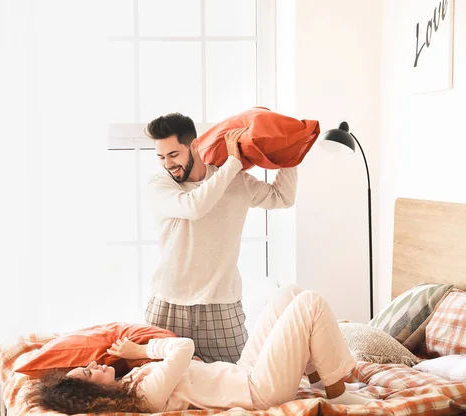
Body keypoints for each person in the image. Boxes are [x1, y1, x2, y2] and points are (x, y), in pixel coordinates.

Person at [25, 285, 376, 414]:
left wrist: (137, 355)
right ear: (92, 394)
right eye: (88, 372)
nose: (93, 364)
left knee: (290, 294)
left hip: (243, 372)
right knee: (311, 304)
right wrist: (141, 351)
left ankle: (318, 379)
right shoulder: (144, 395)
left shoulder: (133, 383)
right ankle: (336, 391)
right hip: (259, 390)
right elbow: (184, 348)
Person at [143, 112, 298, 363]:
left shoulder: (235, 181)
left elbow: (283, 197)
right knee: (161, 387)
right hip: (169, 304)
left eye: (173, 154)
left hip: (222, 306)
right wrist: (232, 164)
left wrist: (291, 153)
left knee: (241, 379)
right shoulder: (160, 184)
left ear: (194, 145)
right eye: (161, 157)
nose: (167, 164)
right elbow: (194, 207)